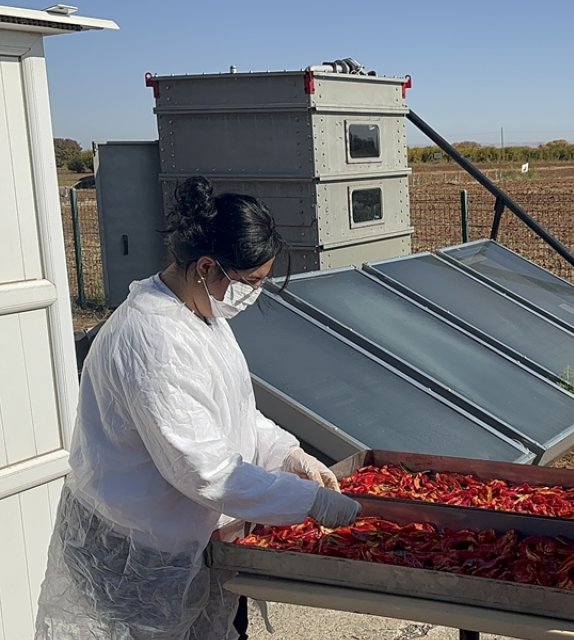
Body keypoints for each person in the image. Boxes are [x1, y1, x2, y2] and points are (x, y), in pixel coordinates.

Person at [36, 177, 360, 639]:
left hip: (186, 541)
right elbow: (203, 469)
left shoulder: (198, 312)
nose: (253, 295)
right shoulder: (154, 338)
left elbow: (234, 412)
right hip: (135, 556)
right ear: (207, 267)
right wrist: (307, 501)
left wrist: (288, 454)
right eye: (250, 283)